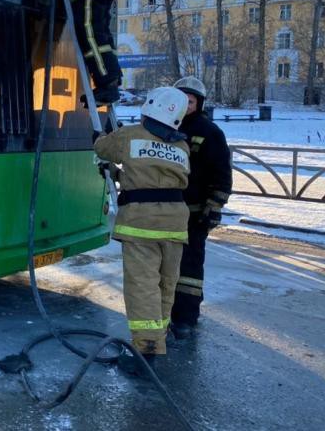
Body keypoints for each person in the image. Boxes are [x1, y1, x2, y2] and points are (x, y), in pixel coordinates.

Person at [93, 87, 190, 372]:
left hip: (142, 224)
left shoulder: (131, 134)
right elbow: (155, 178)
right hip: (175, 224)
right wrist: (120, 175)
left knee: (142, 287)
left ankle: (145, 352)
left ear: (149, 106)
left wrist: (99, 137)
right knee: (165, 284)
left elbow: (102, 148)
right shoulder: (181, 147)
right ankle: (157, 340)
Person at [170, 76, 232, 339]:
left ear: (200, 103)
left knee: (189, 268)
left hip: (194, 214)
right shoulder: (163, 126)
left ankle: (186, 317)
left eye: (190, 100)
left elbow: (221, 174)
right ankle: (167, 311)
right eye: (180, 100)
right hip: (167, 211)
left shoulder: (209, 132)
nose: (185, 105)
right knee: (166, 265)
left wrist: (214, 207)